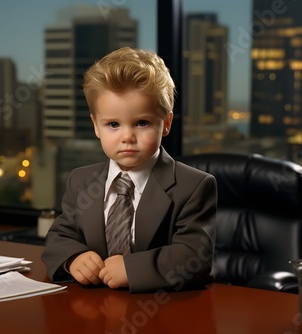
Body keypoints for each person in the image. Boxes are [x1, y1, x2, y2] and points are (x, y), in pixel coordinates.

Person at [41, 47, 218, 293]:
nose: (127, 136)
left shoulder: (193, 186)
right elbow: (59, 236)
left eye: (141, 123)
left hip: (163, 311)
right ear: (95, 126)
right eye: (113, 124)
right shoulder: (80, 180)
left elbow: (194, 255)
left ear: (165, 123)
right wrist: (73, 259)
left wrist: (133, 269)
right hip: (94, 309)